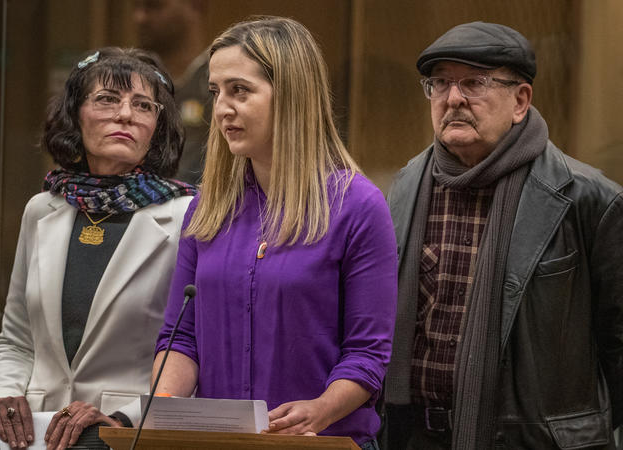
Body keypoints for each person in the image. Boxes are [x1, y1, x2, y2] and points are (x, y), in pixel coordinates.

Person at [150, 17, 397, 450]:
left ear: (292, 95)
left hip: (322, 442)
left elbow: (367, 355)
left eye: (240, 90)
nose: (222, 108)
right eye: (216, 92)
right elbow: (181, 338)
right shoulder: (206, 210)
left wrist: (320, 409)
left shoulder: (358, 206)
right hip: (221, 444)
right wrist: (162, 407)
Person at [383, 22, 623, 449]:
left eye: (474, 82)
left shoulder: (590, 200)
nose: (453, 98)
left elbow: (618, 345)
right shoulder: (404, 187)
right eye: (439, 84)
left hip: (531, 441)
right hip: (412, 434)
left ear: (520, 100)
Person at [0, 47, 195, 450]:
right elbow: (16, 337)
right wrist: (3, 394)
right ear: (75, 116)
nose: (125, 115)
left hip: (127, 434)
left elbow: (193, 349)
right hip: (34, 435)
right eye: (107, 99)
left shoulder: (189, 216)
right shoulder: (42, 209)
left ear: (157, 128)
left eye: (143, 106)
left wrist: (125, 419)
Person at [133, 0, 210, 185]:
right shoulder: (131, 81)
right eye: (137, 7)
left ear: (196, 5)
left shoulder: (226, 81)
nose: (139, 17)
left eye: (154, 6)